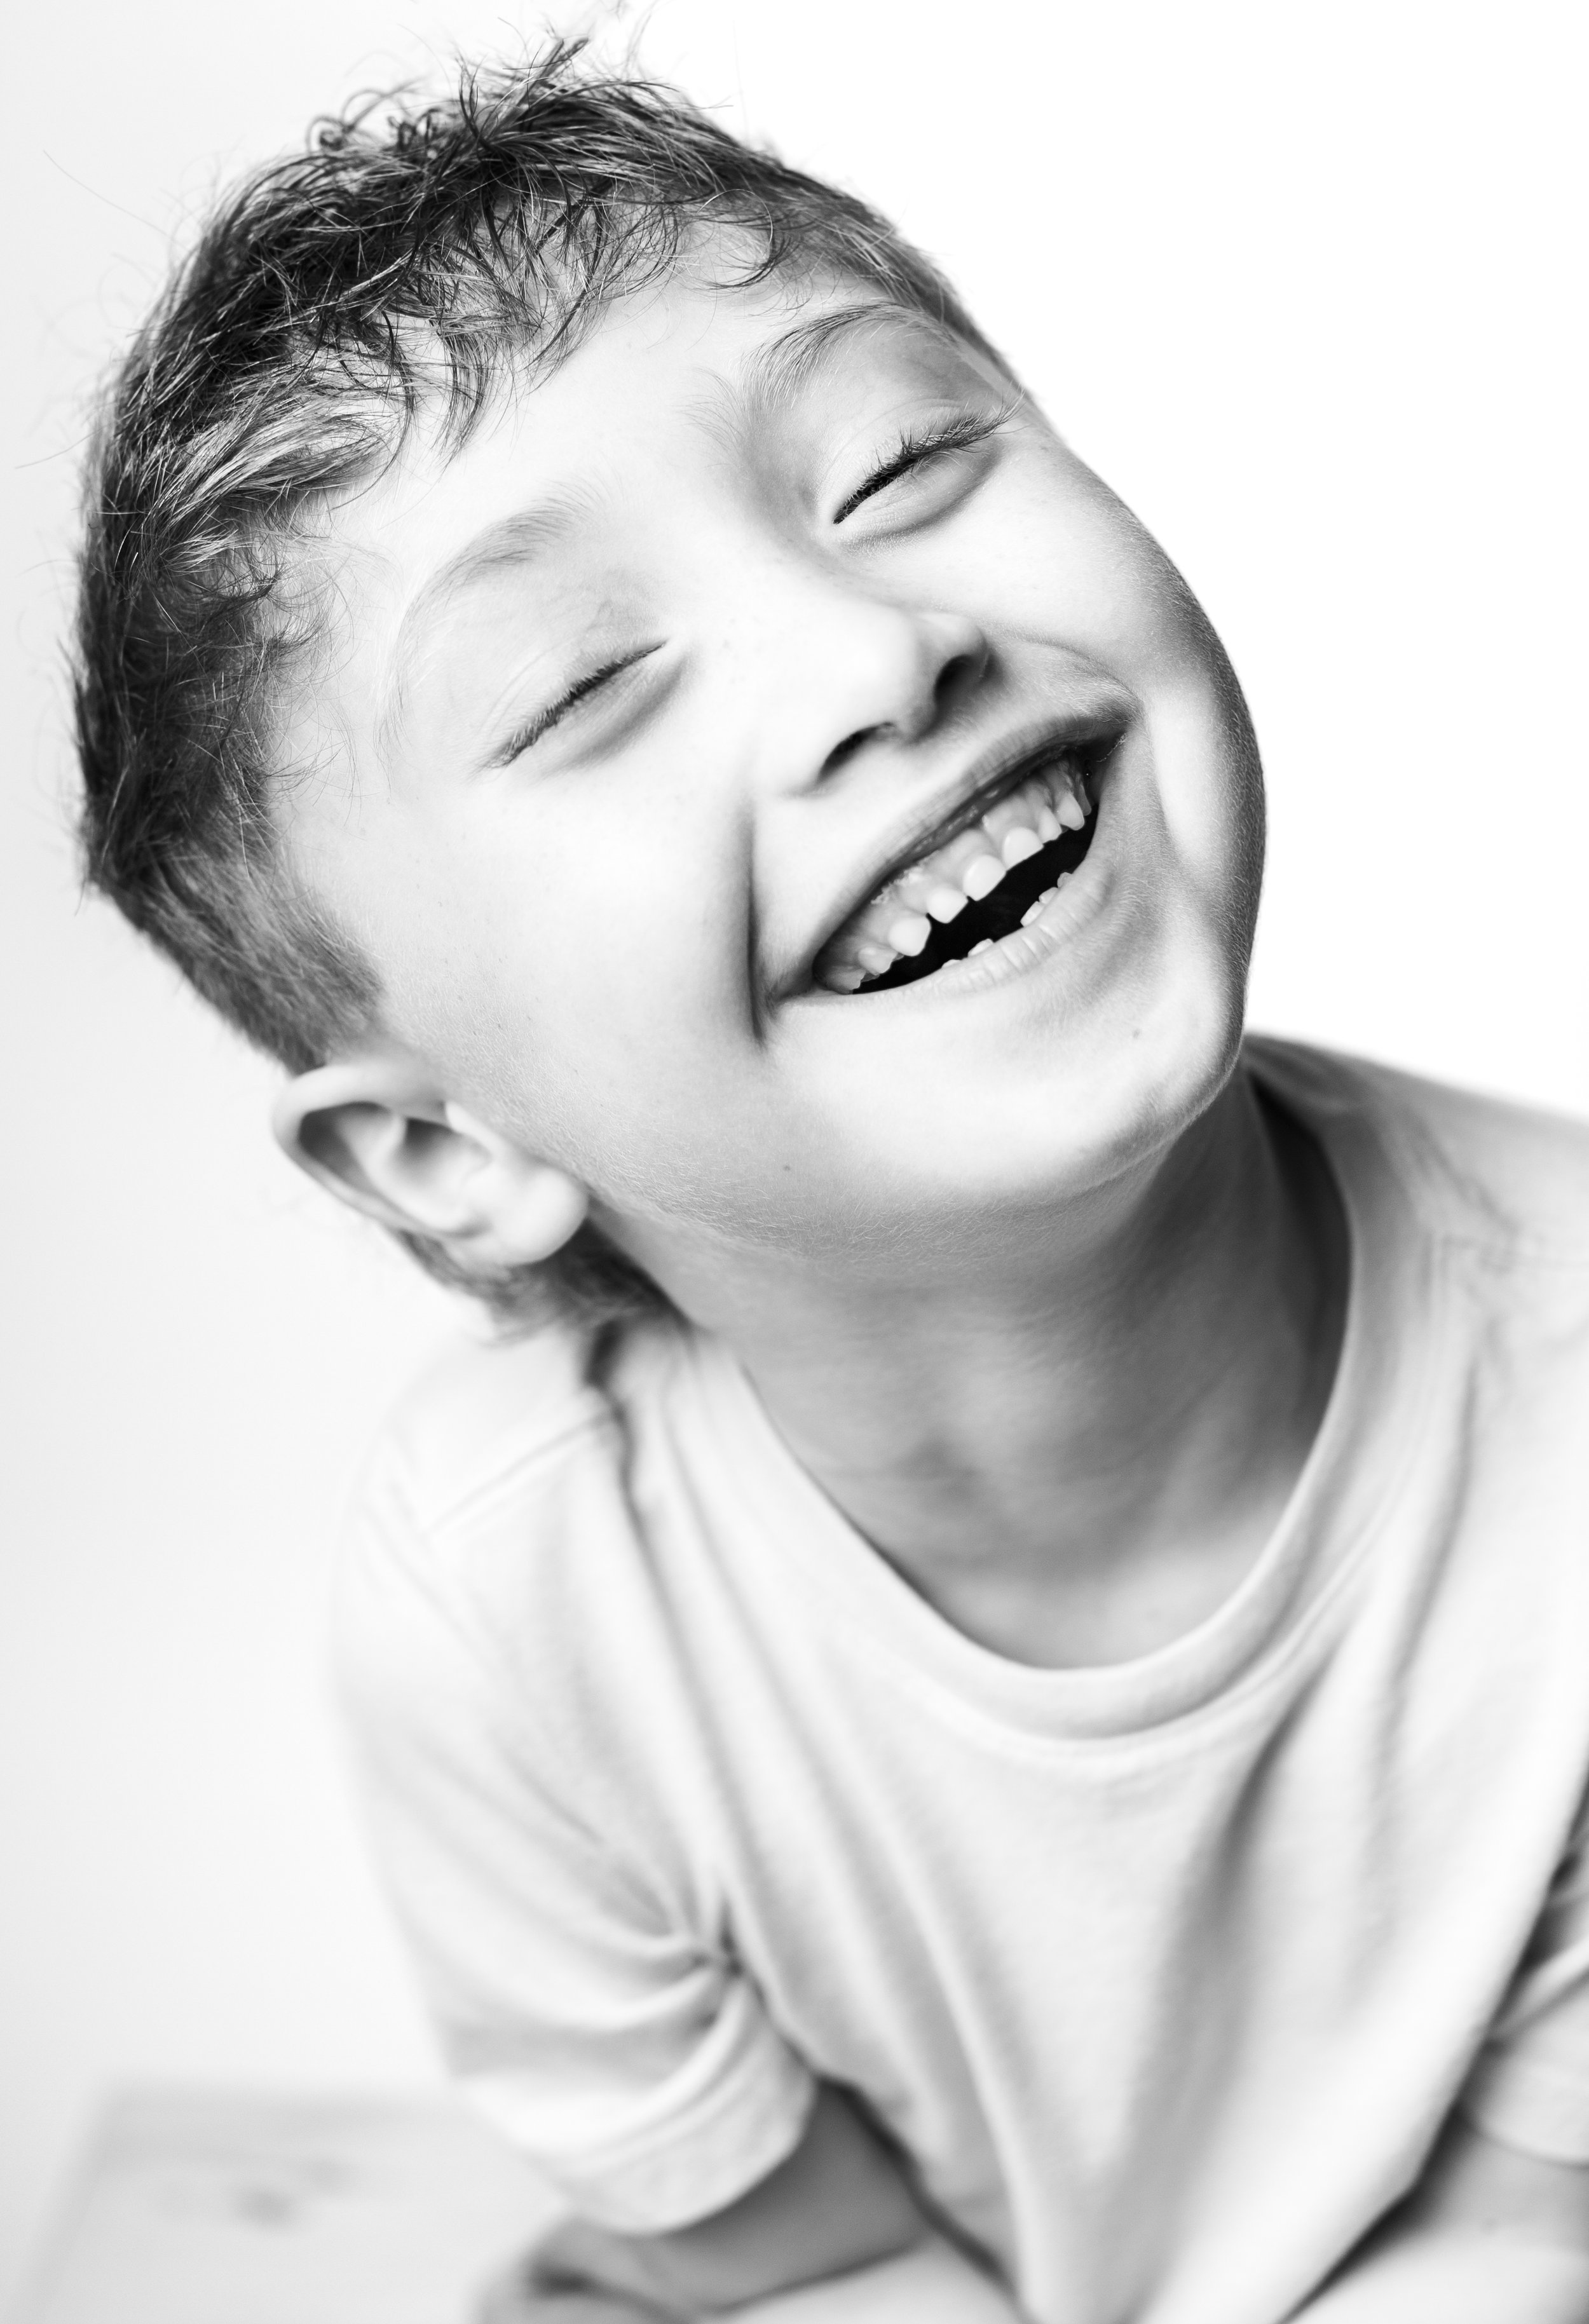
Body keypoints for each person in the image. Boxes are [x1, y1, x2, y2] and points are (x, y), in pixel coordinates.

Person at [71, 44, 1589, 2324]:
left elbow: (1513, 2236)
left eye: (897, 462)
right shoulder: (511, 1603)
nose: (879, 649)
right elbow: (800, 2268)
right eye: (586, 687)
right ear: (440, 1147)